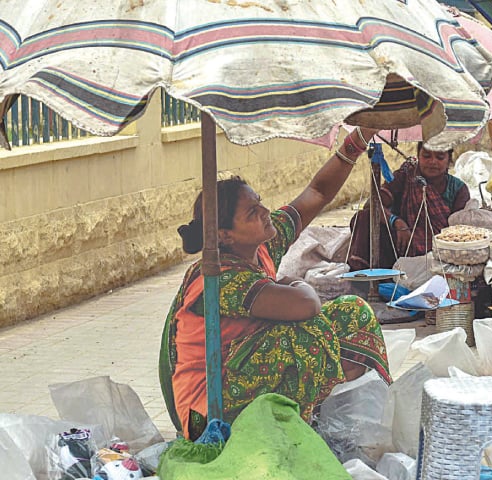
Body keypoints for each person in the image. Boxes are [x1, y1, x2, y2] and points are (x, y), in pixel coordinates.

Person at [159, 127, 392, 440]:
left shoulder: (261, 248)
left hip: (241, 377)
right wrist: (297, 283)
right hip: (207, 410)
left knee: (353, 312)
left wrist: (357, 141)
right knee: (302, 334)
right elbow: (306, 305)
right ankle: (302, 425)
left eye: (260, 203)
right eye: (253, 212)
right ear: (225, 235)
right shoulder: (219, 277)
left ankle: (324, 413)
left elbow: (317, 194)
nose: (265, 212)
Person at [347, 142, 470, 271]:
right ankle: (361, 276)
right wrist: (396, 222)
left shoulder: (458, 189)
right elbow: (373, 204)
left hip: (438, 251)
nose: (433, 162)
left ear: (449, 161)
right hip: (402, 243)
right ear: (418, 156)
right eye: (427, 156)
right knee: (364, 217)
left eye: (440, 158)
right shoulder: (405, 176)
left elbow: (459, 232)